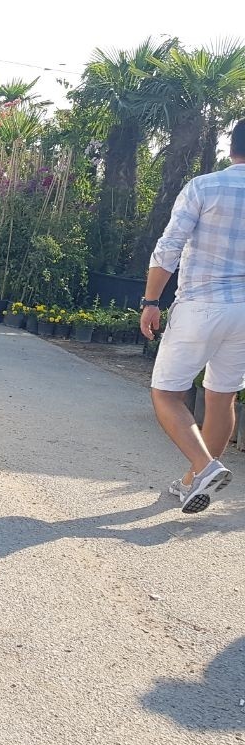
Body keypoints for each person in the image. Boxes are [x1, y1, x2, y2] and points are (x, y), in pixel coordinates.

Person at [141, 118, 245, 514]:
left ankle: (205, 467)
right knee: (222, 397)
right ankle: (192, 482)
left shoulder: (204, 186)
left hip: (201, 306)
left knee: (166, 393)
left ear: (230, 148)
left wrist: (151, 300)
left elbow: (169, 246)